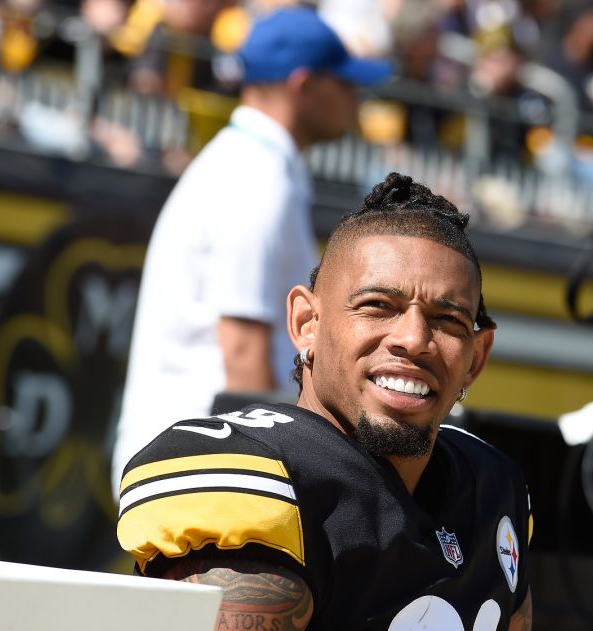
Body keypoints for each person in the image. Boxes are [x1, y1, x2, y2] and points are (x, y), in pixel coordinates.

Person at [116, 173, 547, 631]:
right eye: (377, 306)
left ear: (476, 357)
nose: (413, 339)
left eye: (447, 319)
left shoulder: (495, 487)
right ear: (306, 324)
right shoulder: (260, 477)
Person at [112, 7, 392, 493]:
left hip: (195, 463)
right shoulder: (254, 177)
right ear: (304, 85)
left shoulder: (255, 167)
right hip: (199, 473)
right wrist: (281, 480)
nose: (355, 100)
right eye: (345, 84)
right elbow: (243, 351)